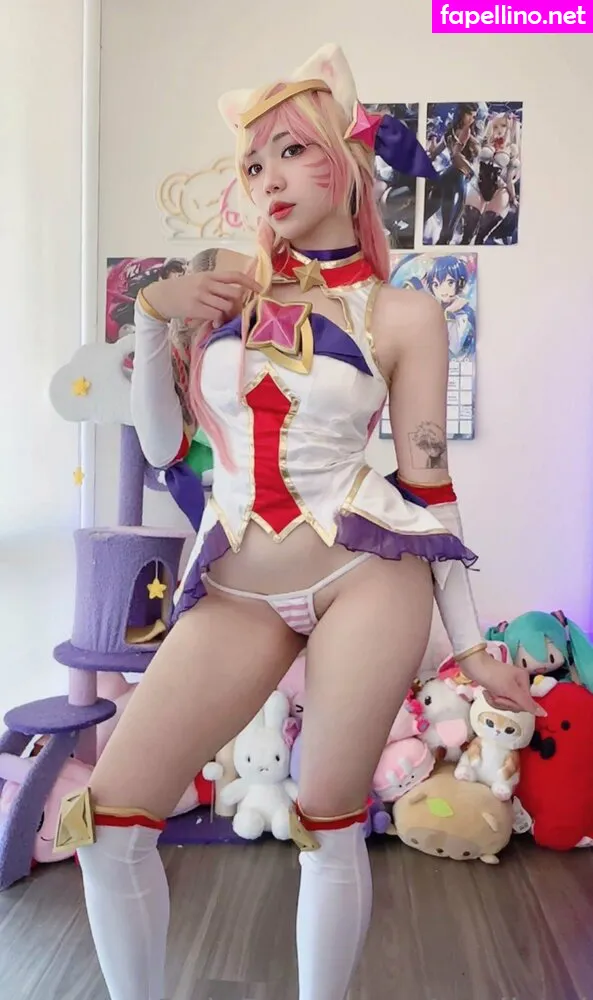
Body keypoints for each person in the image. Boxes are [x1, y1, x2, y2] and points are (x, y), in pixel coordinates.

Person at [56, 43, 542, 1000]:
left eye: (291, 151)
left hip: (363, 574)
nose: (267, 179)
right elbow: (162, 444)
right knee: (107, 822)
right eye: (252, 163)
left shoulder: (404, 314)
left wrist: (471, 647)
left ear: (346, 162)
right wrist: (153, 315)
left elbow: (429, 488)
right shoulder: (224, 288)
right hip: (236, 587)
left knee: (325, 817)